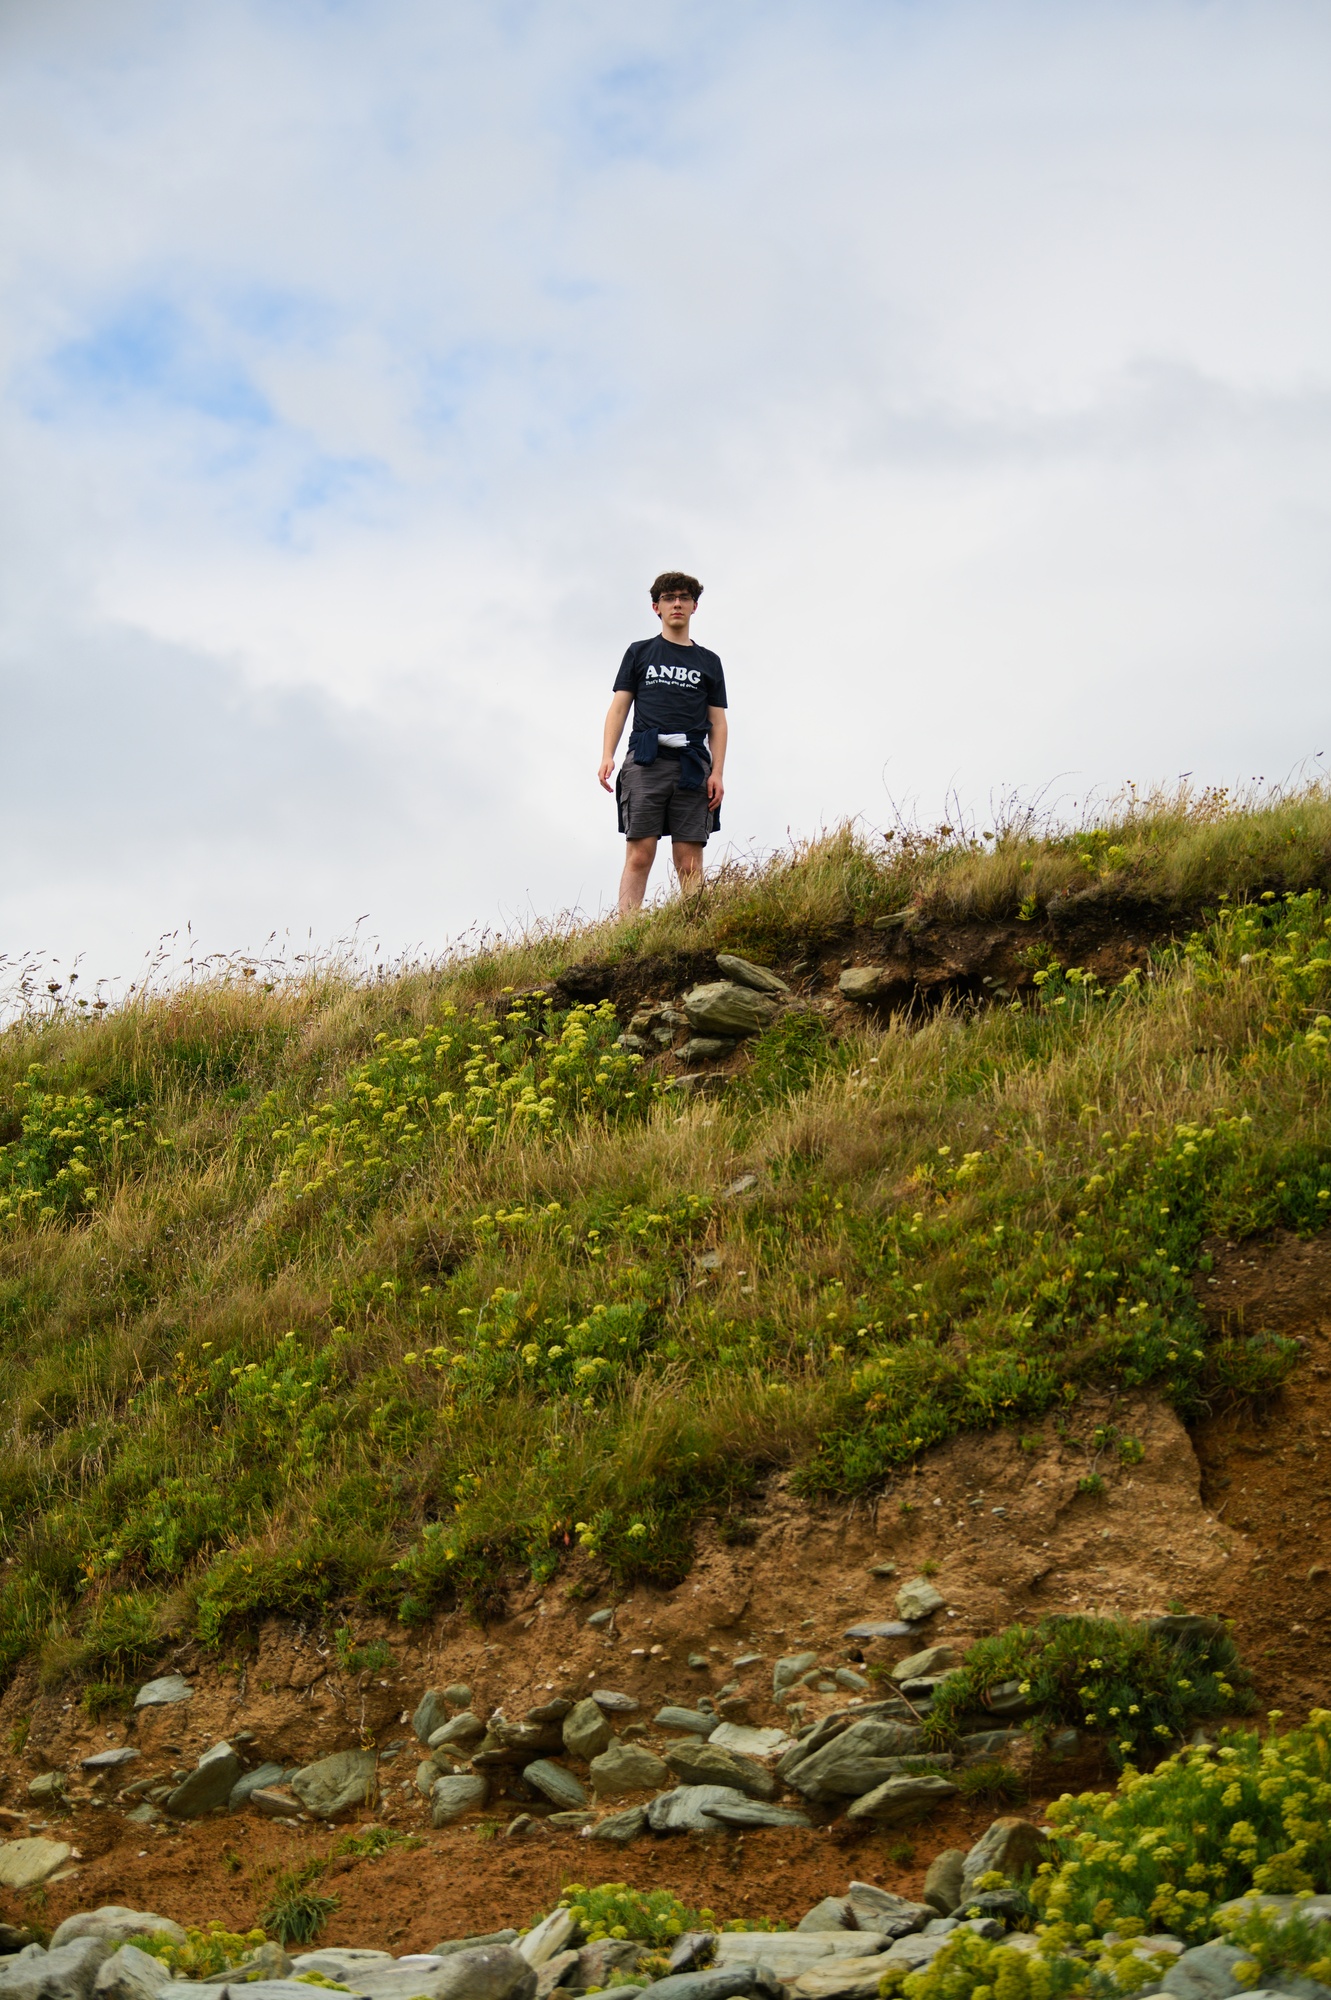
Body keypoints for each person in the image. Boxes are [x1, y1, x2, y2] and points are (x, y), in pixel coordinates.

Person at [598, 570, 728, 914]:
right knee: (639, 853)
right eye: (669, 598)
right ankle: (627, 930)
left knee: (689, 861)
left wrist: (717, 773)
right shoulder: (639, 652)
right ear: (656, 607)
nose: (677, 604)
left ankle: (696, 924)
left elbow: (718, 723)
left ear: (694, 606)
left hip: (693, 765)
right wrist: (608, 755)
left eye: (684, 598)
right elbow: (619, 707)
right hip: (646, 760)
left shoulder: (709, 662)